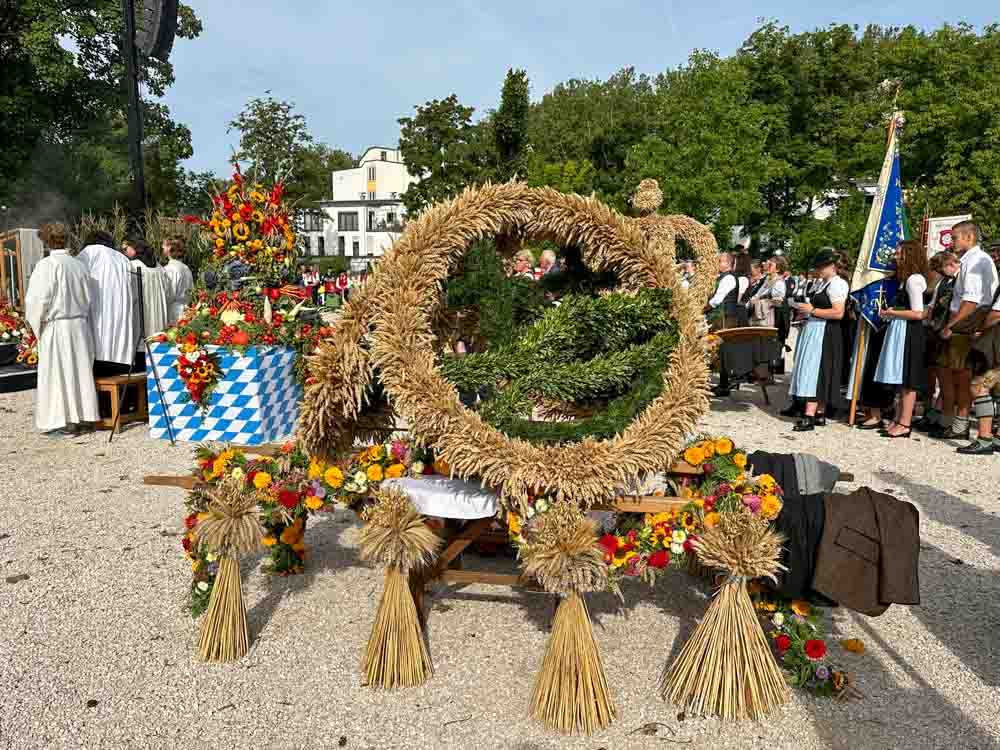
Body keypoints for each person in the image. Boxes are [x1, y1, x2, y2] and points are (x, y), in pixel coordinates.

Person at [25, 223, 99, 434]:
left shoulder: (47, 265)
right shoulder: (80, 266)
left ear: (47, 241)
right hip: (79, 325)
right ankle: (84, 417)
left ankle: (61, 421)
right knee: (79, 371)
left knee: (58, 373)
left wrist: (36, 325)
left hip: (57, 326)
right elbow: (88, 298)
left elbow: (38, 301)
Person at [934, 221, 998, 440]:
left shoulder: (977, 260)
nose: (952, 242)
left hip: (967, 322)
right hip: (963, 319)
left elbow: (971, 301)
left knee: (964, 377)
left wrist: (953, 326)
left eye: (955, 238)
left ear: (969, 237)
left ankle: (963, 425)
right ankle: (953, 421)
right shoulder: (969, 260)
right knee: (953, 375)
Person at [871, 240, 930, 438]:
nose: (895, 257)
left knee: (908, 379)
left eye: (899, 253)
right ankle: (898, 418)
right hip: (901, 329)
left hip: (910, 332)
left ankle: (905, 423)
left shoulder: (914, 280)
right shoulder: (906, 279)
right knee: (901, 379)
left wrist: (893, 313)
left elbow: (918, 313)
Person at [786, 249, 849, 431]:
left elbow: (838, 312)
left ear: (832, 266)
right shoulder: (824, 283)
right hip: (816, 328)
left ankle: (810, 415)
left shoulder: (837, 284)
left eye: (822, 266)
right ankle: (819, 413)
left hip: (825, 331)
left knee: (815, 370)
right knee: (817, 369)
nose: (818, 270)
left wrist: (811, 311)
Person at [957, 243, 1000, 454]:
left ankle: (984, 438)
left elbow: (997, 314)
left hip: (996, 342)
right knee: (997, 388)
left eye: (998, 254)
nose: (996, 258)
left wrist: (980, 329)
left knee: (979, 385)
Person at [77, 230, 135, 376]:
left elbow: (76, 276)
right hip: (123, 331)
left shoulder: (89, 252)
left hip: (98, 316)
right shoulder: (123, 259)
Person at [915, 251, 960, 432]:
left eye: (940, 268)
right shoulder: (944, 281)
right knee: (939, 376)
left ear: (950, 264)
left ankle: (947, 419)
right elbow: (932, 307)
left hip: (952, 332)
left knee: (951, 379)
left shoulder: (959, 281)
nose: (939, 272)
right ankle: (936, 415)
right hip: (937, 331)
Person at [124, 237, 170, 370]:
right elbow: (167, 292)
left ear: (134, 249)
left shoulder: (133, 266)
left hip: (142, 315)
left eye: (127, 248)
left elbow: (130, 294)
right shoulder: (160, 268)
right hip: (159, 319)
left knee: (142, 360)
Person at [162, 237, 194, 324]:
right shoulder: (186, 268)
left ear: (169, 248)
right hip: (186, 308)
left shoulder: (170, 269)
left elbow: (169, 294)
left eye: (164, 245)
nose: (162, 247)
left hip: (174, 312)